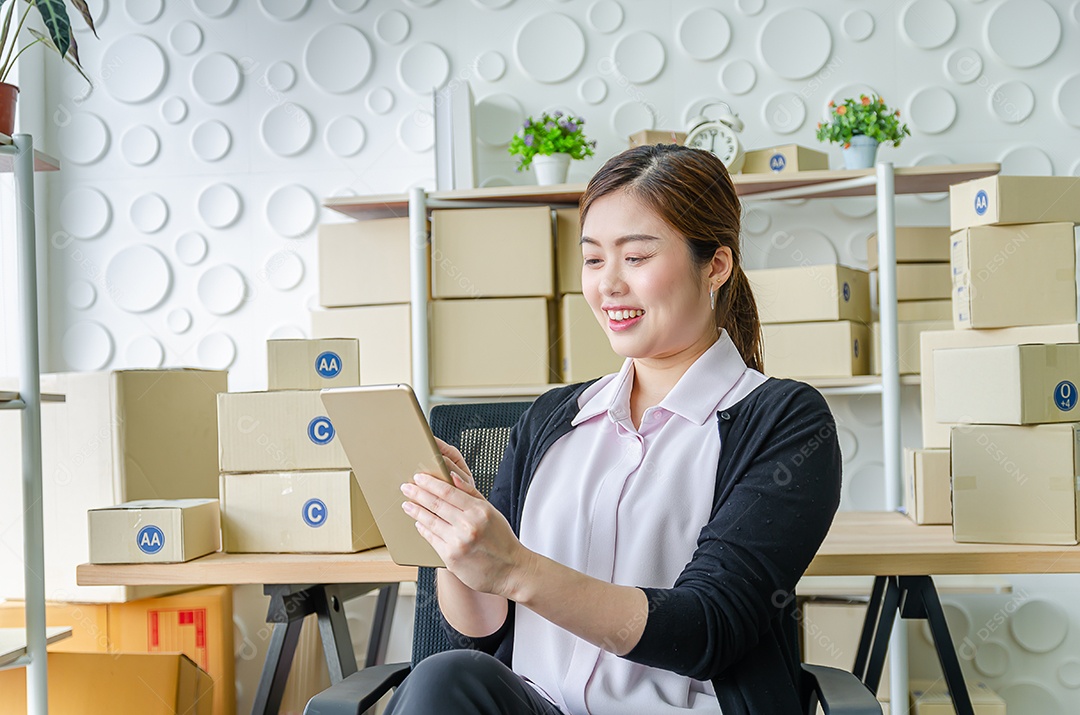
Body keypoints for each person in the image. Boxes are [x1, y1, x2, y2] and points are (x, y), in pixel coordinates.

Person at [388, 144, 842, 715]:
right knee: (444, 677)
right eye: (594, 259)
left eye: (636, 257)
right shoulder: (554, 418)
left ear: (716, 265)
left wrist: (517, 567)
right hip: (539, 705)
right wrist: (459, 544)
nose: (608, 286)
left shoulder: (783, 420)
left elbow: (709, 627)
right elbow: (479, 629)